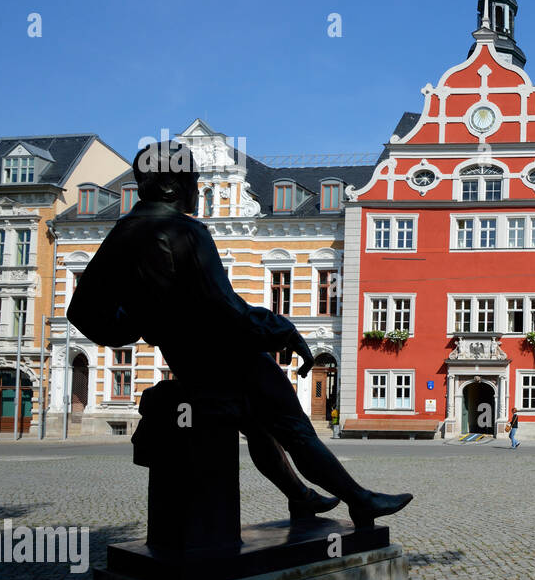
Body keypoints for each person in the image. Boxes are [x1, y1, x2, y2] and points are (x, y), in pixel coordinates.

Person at [68, 141, 412, 528]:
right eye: (191, 182)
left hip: (190, 365)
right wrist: (281, 329)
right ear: (168, 186)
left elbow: (82, 311)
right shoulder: (183, 231)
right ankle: (359, 500)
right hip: (231, 356)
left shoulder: (121, 236)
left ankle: (300, 497)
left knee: (259, 430)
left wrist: (144, 322)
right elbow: (224, 307)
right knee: (295, 430)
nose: (197, 190)